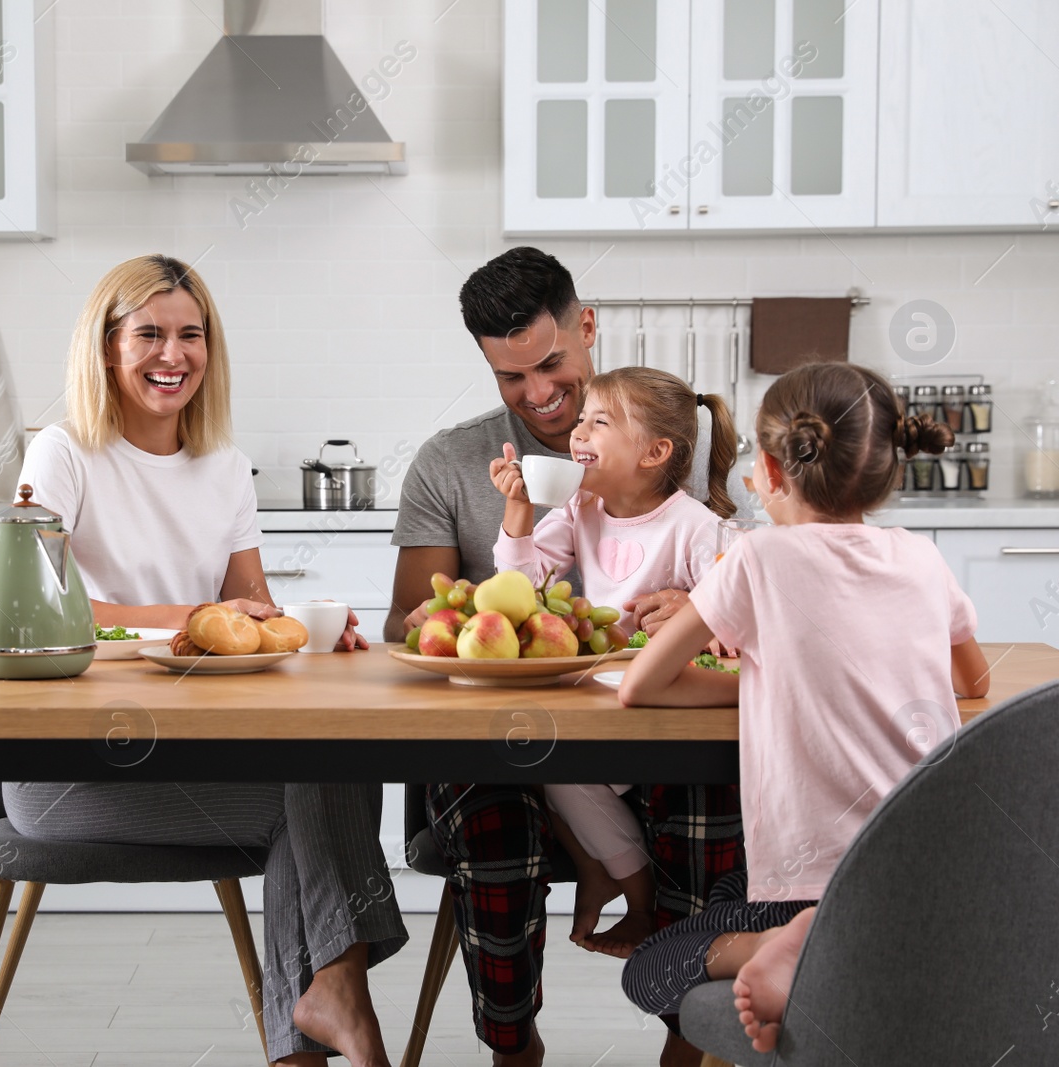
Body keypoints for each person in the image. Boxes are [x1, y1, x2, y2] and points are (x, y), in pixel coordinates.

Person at [9, 254, 405, 1067]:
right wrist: (190, 617)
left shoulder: (225, 468)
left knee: (337, 770)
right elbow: (38, 611)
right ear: (107, 346)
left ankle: (332, 997)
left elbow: (248, 617)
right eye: (149, 333)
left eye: (192, 334)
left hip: (193, 753)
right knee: (318, 796)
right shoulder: (64, 452)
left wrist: (306, 630)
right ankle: (340, 998)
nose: (173, 353)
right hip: (70, 768)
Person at [391, 247, 748, 1067]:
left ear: (586, 328)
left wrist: (699, 614)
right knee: (498, 818)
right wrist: (483, 578)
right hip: (511, 732)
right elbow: (412, 628)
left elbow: (748, 596)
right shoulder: (458, 465)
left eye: (552, 364)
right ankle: (515, 1048)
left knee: (711, 793)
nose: (542, 396)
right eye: (511, 377)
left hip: (646, 719)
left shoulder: (667, 446)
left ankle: (689, 1038)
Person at [616, 362, 990, 1053]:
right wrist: (782, 674)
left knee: (652, 968)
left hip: (810, 879)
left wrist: (769, 672)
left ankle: (784, 938)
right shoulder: (921, 556)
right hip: (926, 877)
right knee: (727, 887)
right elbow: (972, 680)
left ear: (770, 471)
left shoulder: (759, 556)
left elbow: (643, 681)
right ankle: (806, 937)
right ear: (885, 469)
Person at [488, 367, 739, 958]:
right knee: (545, 761)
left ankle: (636, 892)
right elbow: (517, 591)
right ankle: (633, 888)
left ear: (655, 452)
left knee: (560, 767)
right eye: (581, 421)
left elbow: (741, 618)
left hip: (662, 713)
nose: (578, 433)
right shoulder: (580, 508)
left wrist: (697, 612)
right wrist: (518, 510)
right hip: (603, 702)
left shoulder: (695, 527)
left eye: (599, 422)